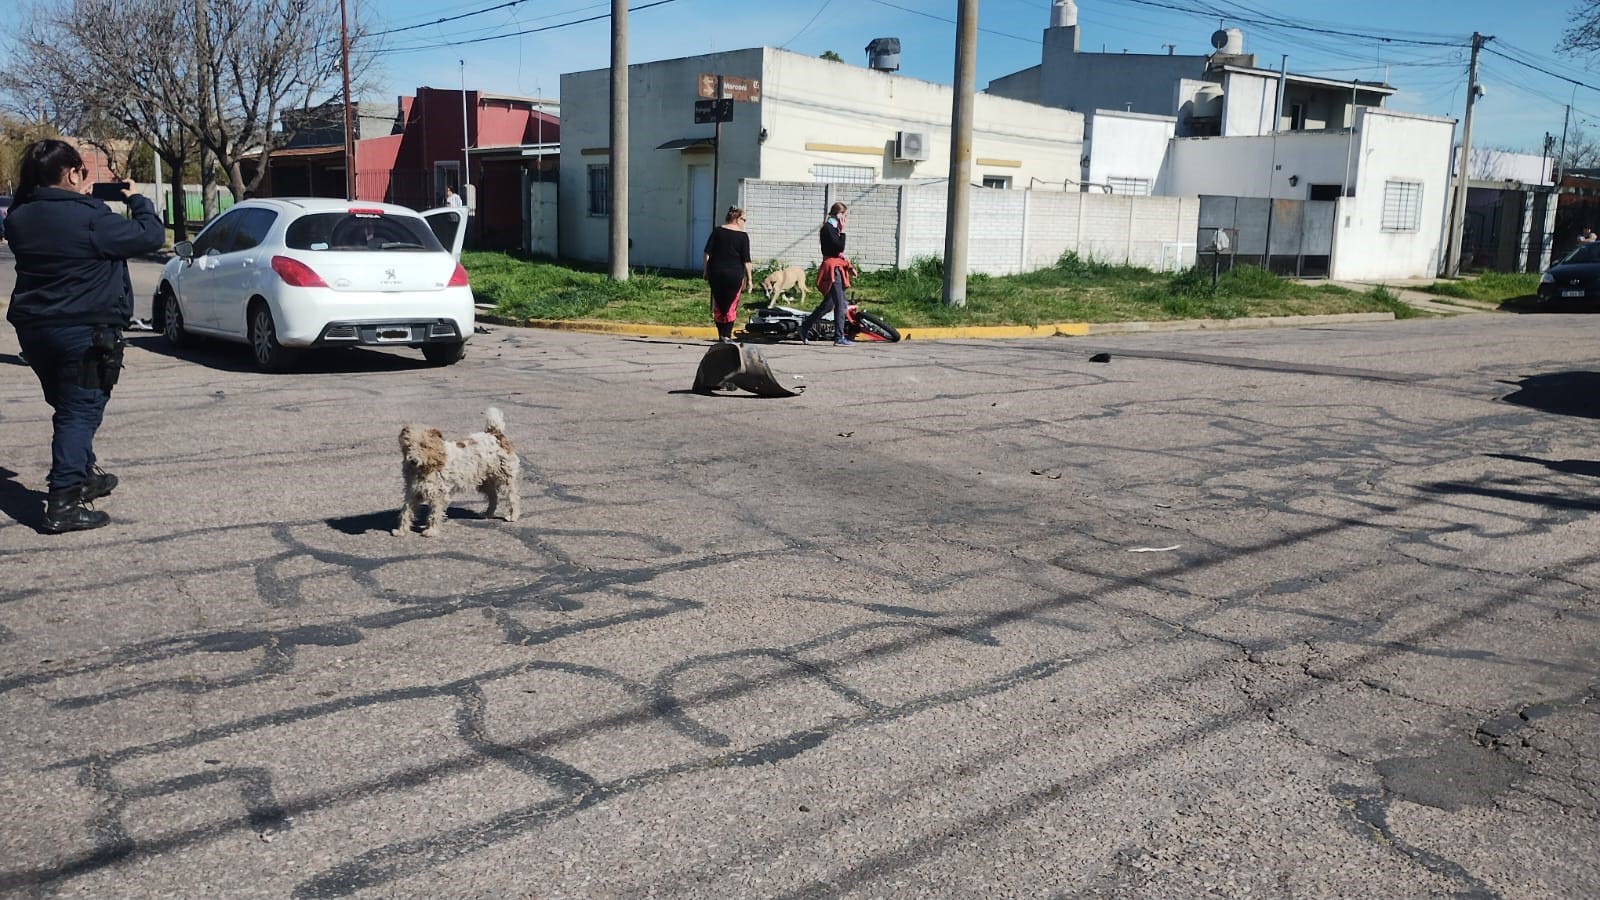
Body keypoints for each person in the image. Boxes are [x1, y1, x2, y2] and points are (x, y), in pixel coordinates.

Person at [4, 139, 164, 533]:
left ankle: (83, 474)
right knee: (79, 412)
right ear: (73, 173)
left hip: (34, 331)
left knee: (68, 406)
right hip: (84, 332)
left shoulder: (19, 217)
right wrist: (138, 200)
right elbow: (150, 236)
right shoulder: (92, 218)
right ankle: (63, 501)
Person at [801, 202, 858, 346]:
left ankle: (804, 327)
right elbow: (838, 247)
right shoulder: (828, 228)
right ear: (838, 215)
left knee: (828, 305)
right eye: (844, 215)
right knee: (841, 303)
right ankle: (839, 337)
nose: (845, 219)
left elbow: (839, 253)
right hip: (832, 269)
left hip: (837, 266)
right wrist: (843, 231)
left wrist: (849, 267)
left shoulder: (833, 228)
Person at [702, 206, 752, 343]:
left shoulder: (717, 232)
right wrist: (750, 280)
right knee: (731, 305)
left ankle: (721, 335)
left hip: (716, 273)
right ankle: (727, 335)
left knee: (719, 304)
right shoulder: (743, 237)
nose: (744, 223)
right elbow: (746, 260)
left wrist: (706, 271)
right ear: (737, 219)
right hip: (734, 276)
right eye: (744, 220)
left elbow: (707, 253)